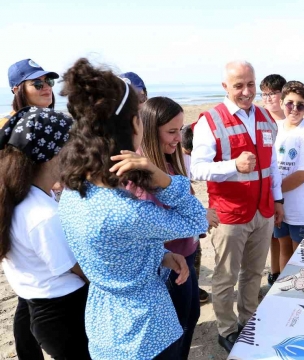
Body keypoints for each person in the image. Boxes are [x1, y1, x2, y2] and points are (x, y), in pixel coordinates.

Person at [57, 58, 208, 359]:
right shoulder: (124, 211)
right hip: (145, 332)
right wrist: (162, 176)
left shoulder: (75, 191)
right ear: (132, 126)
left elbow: (115, 251)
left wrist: (160, 255)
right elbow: (196, 219)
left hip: (104, 325)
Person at [191, 60, 284, 352]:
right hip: (230, 215)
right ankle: (226, 328)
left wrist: (278, 199)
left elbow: (273, 166)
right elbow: (197, 169)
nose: (246, 91)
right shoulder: (211, 120)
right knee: (226, 276)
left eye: (251, 84)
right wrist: (234, 166)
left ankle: (248, 319)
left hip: (263, 210)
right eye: (238, 85)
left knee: (254, 273)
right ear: (225, 87)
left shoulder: (267, 119)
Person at [0, 108, 90, 359]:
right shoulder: (42, 215)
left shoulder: (23, 194)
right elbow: (79, 268)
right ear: (55, 154)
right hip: (64, 313)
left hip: (42, 307)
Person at [133, 97, 219, 358]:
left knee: (191, 315)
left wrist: (196, 224)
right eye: (171, 132)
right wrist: (199, 217)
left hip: (186, 254)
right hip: (168, 262)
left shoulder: (170, 162)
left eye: (180, 131)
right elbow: (151, 227)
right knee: (177, 329)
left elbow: (185, 199)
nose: (178, 139)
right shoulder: (143, 172)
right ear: (149, 130)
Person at [274, 81, 304, 270]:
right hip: (279, 206)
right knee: (283, 247)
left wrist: (274, 193)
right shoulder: (276, 128)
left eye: (300, 105)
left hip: (301, 209)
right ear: (281, 102)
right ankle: (281, 290)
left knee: (301, 255)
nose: (294, 109)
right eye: (289, 103)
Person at [259, 74, 286, 285]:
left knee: (284, 235)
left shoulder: (290, 120)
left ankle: (282, 273)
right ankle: (274, 272)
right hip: (267, 186)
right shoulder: (259, 119)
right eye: (264, 94)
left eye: (272, 94)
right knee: (271, 235)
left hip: (289, 187)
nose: (268, 98)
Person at [181, 123, 211, 303]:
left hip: (190, 210)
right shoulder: (176, 153)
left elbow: (188, 186)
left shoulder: (190, 155)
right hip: (179, 215)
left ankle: (194, 286)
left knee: (195, 251)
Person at [1, 59, 58, 127]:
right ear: (17, 90)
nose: (47, 87)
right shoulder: (5, 127)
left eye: (49, 81)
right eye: (37, 83)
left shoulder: (58, 122)